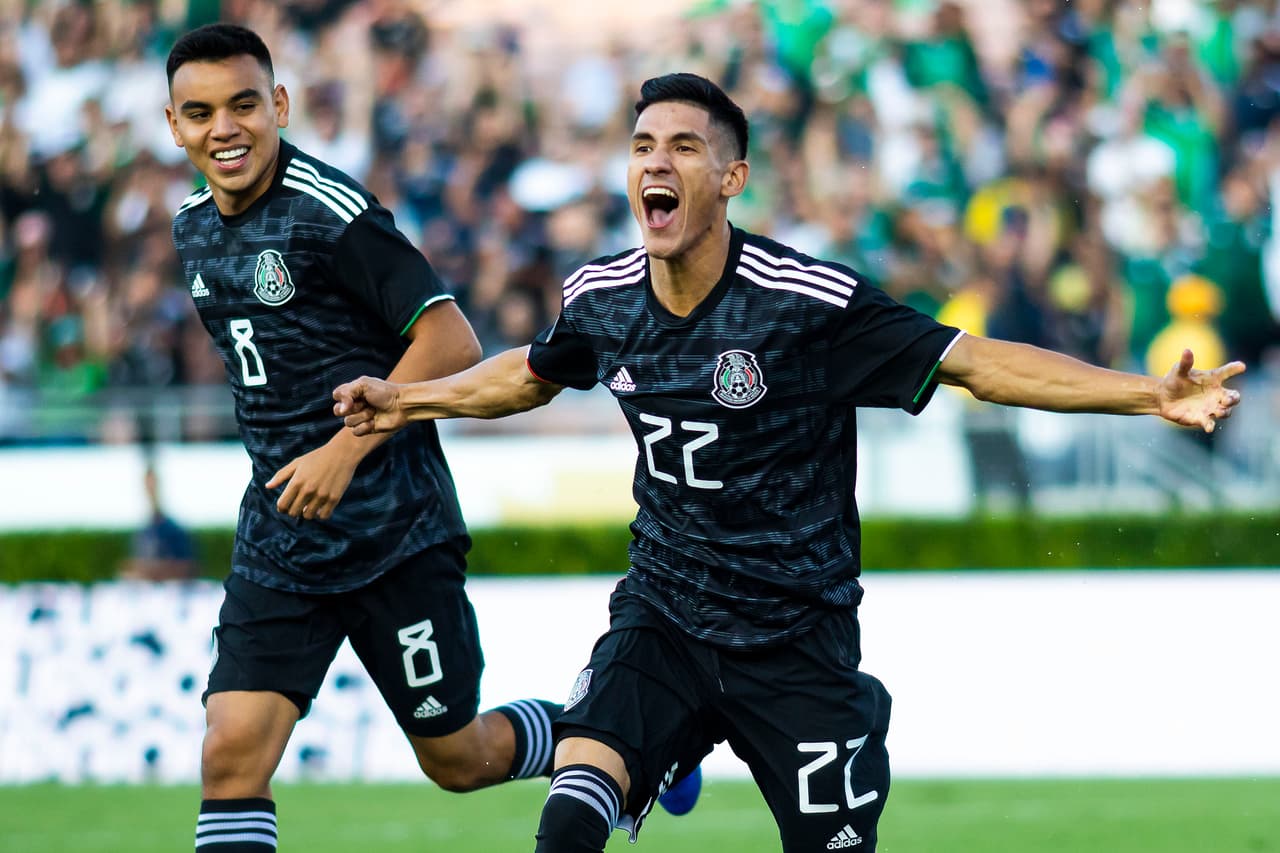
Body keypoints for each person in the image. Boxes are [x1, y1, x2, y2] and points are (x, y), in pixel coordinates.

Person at [332, 73, 1246, 853]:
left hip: (797, 640)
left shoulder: (808, 302)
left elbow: (979, 364)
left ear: (731, 178)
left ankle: (697, 750)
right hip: (665, 619)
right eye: (644, 145)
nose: (658, 162)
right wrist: (406, 401)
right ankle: (664, 742)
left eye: (685, 148)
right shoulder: (600, 296)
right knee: (568, 822)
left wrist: (1145, 393)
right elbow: (531, 376)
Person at [164, 25, 565, 853]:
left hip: (395, 531)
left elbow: (452, 343)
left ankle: (622, 735)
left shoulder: (331, 211)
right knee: (230, 757)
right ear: (174, 126)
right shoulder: (191, 230)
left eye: (244, 104)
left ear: (279, 105)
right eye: (199, 113)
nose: (224, 128)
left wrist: (344, 451)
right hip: (283, 538)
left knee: (459, 758)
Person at [118, 462, 201, 581]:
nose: (150, 491)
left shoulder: (175, 531)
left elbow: (188, 567)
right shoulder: (143, 533)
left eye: (152, 486)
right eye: (147, 486)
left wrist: (155, 570)